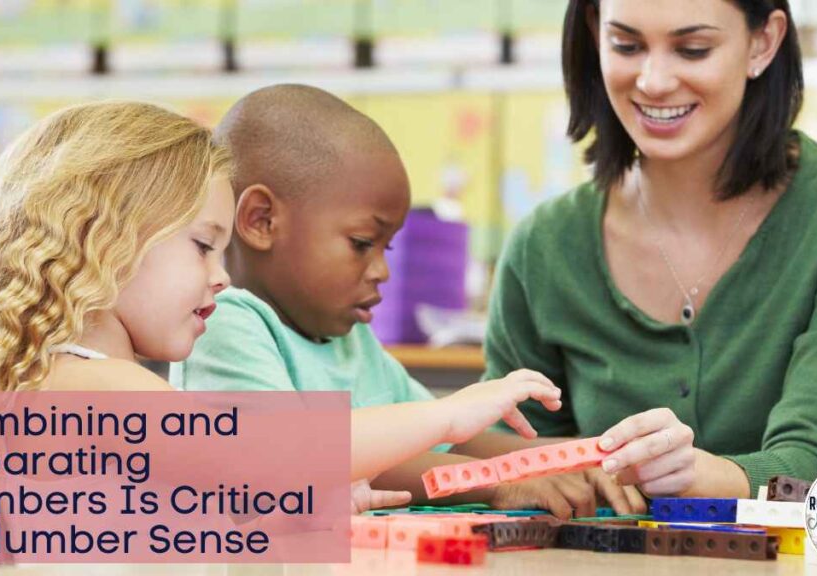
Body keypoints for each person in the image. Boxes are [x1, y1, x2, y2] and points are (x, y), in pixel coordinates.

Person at [0, 101, 562, 510]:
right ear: (102, 239)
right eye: (201, 246)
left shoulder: (74, 378)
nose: (221, 278)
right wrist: (448, 414)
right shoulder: (82, 384)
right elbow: (272, 449)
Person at [481, 0, 817, 499]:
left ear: (764, 42)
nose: (653, 80)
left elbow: (816, 467)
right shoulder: (542, 245)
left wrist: (701, 478)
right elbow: (514, 452)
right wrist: (534, 477)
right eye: (626, 45)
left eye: (692, 49)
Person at [174, 84, 647, 517]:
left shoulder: (349, 340)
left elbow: (449, 441)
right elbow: (301, 455)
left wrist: (586, 457)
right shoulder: (225, 323)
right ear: (261, 221)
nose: (382, 270)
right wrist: (495, 480)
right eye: (362, 243)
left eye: (388, 247)